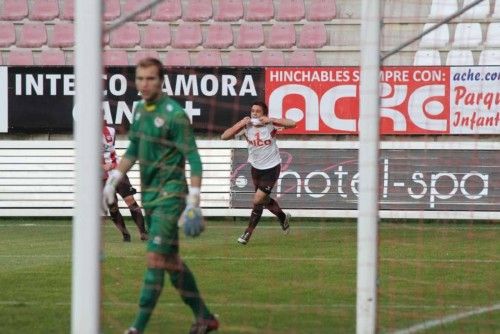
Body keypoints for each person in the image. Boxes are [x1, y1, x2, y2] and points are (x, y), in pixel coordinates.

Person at [102, 57, 219, 334]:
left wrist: (194, 201)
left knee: (154, 260)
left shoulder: (174, 114)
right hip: (150, 198)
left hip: (171, 196)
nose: (144, 84)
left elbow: (194, 158)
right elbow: (133, 149)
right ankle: (204, 317)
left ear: (161, 80)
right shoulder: (140, 110)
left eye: (150, 78)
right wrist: (114, 178)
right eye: (140, 78)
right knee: (171, 263)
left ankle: (136, 328)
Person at [221, 101, 296, 245]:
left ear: (264, 114)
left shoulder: (270, 126)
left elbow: (293, 123)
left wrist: (272, 119)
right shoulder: (246, 126)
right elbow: (224, 136)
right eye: (252, 110)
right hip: (255, 168)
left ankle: (247, 233)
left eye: (258, 111)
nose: (254, 113)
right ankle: (282, 217)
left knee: (257, 199)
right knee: (262, 199)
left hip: (272, 167)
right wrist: (240, 124)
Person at [102, 124, 148, 242]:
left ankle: (143, 233)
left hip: (117, 172)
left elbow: (112, 152)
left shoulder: (111, 131)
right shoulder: (87, 136)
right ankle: (125, 235)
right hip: (101, 177)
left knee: (130, 200)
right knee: (113, 207)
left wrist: (112, 165)